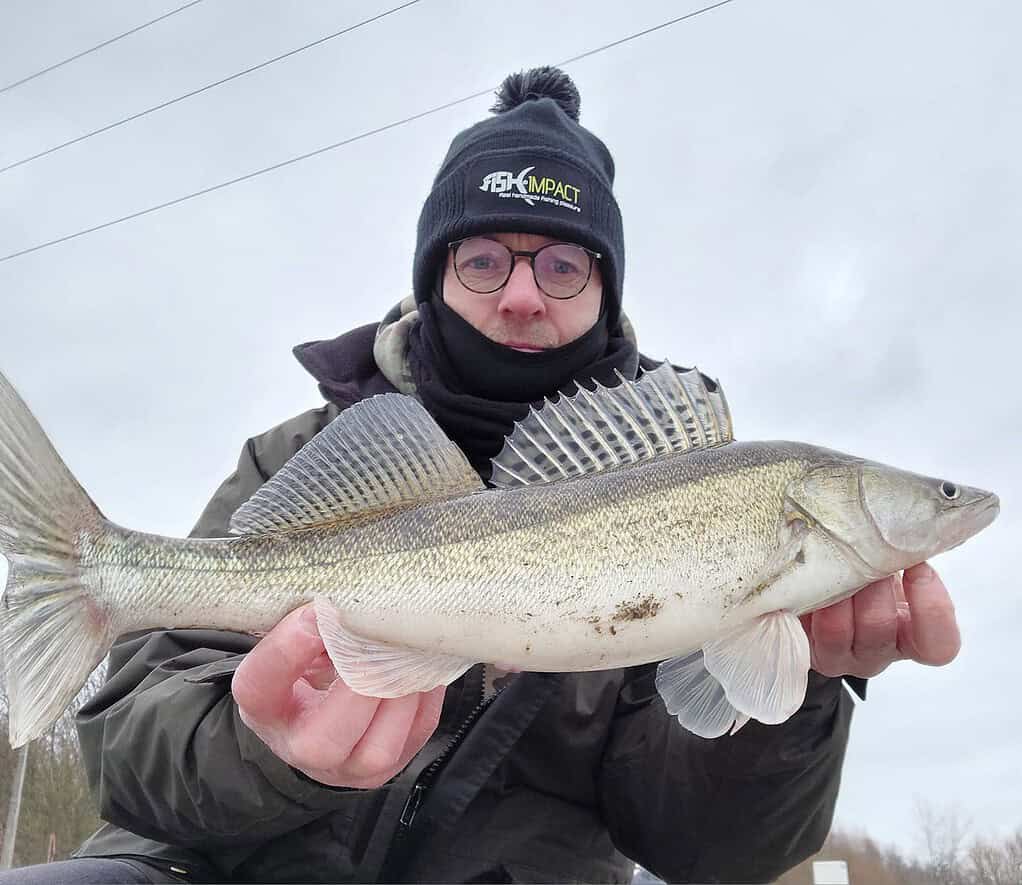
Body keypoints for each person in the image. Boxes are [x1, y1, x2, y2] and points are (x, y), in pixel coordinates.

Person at [1, 66, 963, 885]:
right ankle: (104, 572)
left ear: (602, 288)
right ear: (435, 274)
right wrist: (267, 752)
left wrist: (798, 701)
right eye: (485, 257)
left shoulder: (697, 481)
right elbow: (132, 742)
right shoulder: (303, 453)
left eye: (560, 265)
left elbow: (710, 847)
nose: (518, 292)